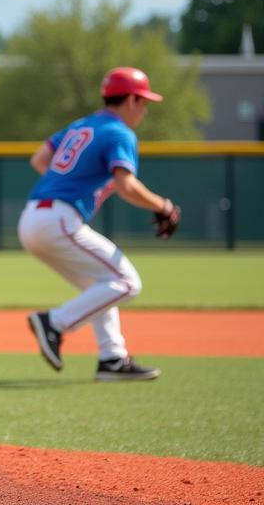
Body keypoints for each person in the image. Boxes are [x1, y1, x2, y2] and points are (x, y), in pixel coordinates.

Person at [21, 67, 181, 382]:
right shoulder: (119, 132)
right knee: (126, 282)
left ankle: (112, 359)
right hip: (59, 219)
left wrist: (69, 184)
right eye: (144, 102)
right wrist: (164, 206)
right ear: (132, 100)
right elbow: (126, 186)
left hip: (33, 217)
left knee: (102, 284)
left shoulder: (81, 125)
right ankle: (55, 322)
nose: (144, 109)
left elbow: (40, 159)